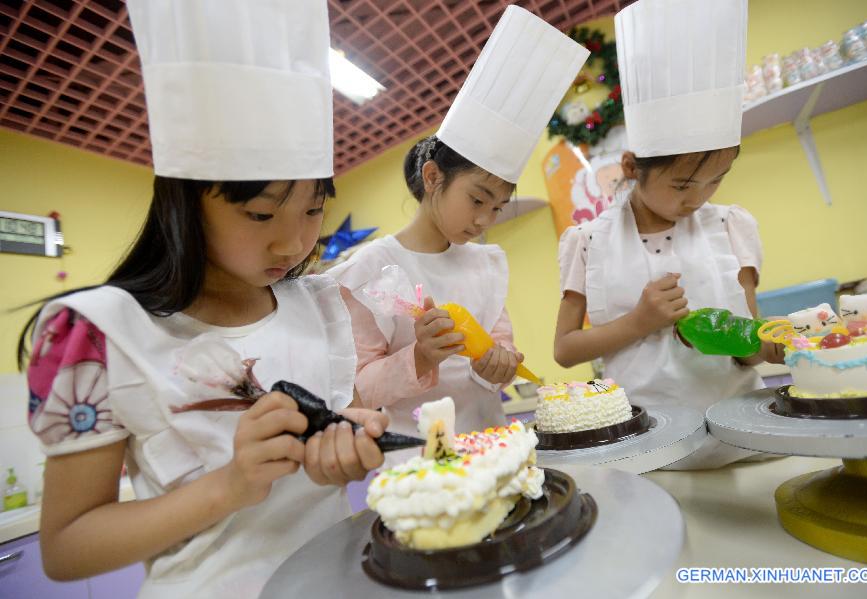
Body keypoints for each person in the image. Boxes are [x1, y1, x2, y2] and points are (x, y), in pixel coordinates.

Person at [17, 2, 385, 596]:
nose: (293, 242)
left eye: (314, 209)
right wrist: (231, 485)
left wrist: (349, 446)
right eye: (261, 213)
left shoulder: (317, 305)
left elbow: (341, 438)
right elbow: (65, 547)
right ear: (186, 204)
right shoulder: (100, 333)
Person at [330, 5, 589, 443]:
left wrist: (497, 366)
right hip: (415, 459)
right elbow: (357, 390)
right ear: (433, 178)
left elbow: (499, 351)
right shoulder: (371, 268)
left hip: (492, 443)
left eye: (498, 207)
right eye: (477, 200)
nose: (485, 220)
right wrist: (421, 355)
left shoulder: (485, 265)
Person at [554, 0, 783, 469]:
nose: (698, 198)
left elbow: (751, 351)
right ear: (631, 168)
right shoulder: (588, 242)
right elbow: (564, 350)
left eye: (716, 179)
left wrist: (761, 343)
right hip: (648, 450)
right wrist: (638, 323)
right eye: (682, 184)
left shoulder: (729, 227)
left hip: (740, 439)